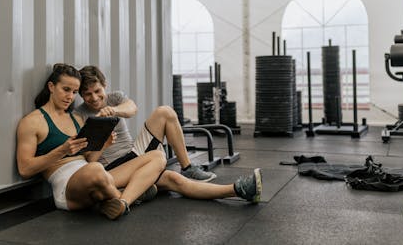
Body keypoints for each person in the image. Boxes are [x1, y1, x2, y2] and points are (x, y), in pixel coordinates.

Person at [75, 65, 263, 203]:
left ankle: (194, 169)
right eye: (87, 94)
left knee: (164, 112)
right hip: (114, 169)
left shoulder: (114, 98)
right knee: (173, 180)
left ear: (104, 85)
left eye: (97, 91)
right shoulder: (80, 114)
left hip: (134, 154)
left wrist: (113, 111)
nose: (94, 98)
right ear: (81, 95)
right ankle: (238, 190)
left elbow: (132, 109)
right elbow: (88, 158)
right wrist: (102, 140)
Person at [16, 63, 166, 221]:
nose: (70, 97)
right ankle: (132, 194)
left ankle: (123, 202)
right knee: (96, 170)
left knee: (157, 156)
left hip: (94, 175)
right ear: (51, 87)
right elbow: (25, 169)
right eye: (66, 90)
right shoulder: (32, 122)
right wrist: (62, 151)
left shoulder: (76, 119)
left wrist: (103, 145)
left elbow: (90, 158)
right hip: (67, 186)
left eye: (74, 92)